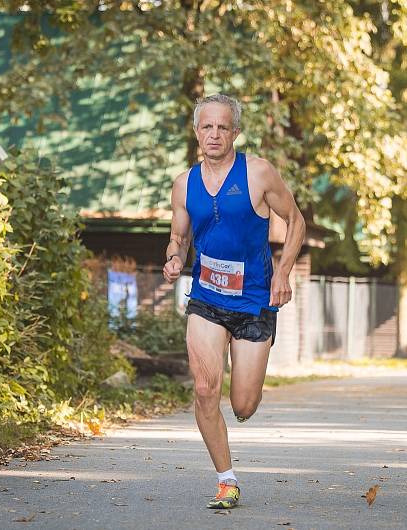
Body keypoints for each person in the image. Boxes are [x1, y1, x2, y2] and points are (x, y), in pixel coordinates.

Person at [162, 94, 305, 509]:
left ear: (235, 132)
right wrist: (174, 258)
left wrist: (283, 272)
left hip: (255, 302)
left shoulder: (258, 173)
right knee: (206, 389)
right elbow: (179, 236)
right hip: (206, 298)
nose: (214, 134)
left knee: (243, 403)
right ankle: (227, 480)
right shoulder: (184, 183)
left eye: (223, 127)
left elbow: (296, 220)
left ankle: (245, 398)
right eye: (207, 126)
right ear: (196, 132)